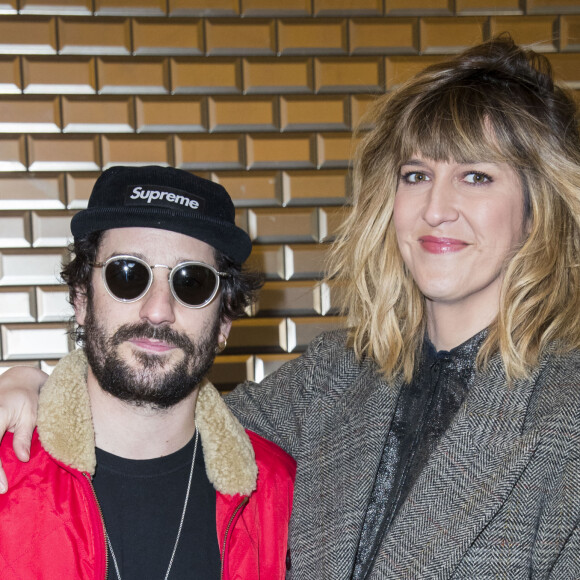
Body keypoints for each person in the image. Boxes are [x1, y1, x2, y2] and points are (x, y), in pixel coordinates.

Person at [1, 35, 579, 579]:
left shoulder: (564, 413)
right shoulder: (338, 377)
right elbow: (166, 411)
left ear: (538, 207)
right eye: (417, 174)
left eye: (475, 176)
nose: (436, 208)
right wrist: (36, 384)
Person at [0, 165, 296, 579]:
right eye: (127, 274)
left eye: (191, 282)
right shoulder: (8, 478)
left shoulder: (280, 495)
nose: (158, 309)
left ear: (224, 321)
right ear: (81, 298)